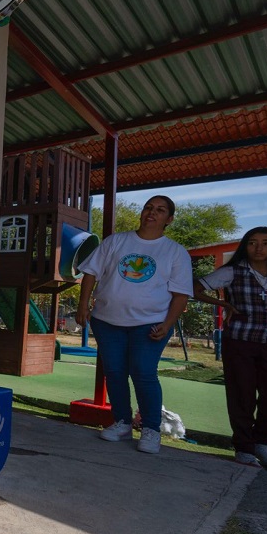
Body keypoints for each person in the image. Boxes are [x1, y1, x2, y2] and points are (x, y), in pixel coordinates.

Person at [76, 195, 193, 454]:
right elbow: (91, 273)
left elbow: (181, 294)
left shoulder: (175, 252)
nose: (152, 212)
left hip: (150, 324)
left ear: (169, 219)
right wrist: (83, 305)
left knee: (143, 372)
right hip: (107, 321)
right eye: (149, 207)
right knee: (115, 372)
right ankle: (122, 422)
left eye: (160, 210)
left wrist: (168, 322)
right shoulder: (116, 241)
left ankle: (151, 429)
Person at [193, 227, 267, 468]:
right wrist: (223, 303)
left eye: (266, 243)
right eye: (253, 243)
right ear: (245, 246)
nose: (259, 248)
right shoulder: (233, 271)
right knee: (241, 395)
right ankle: (243, 448)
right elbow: (195, 288)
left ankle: (262, 444)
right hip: (240, 341)